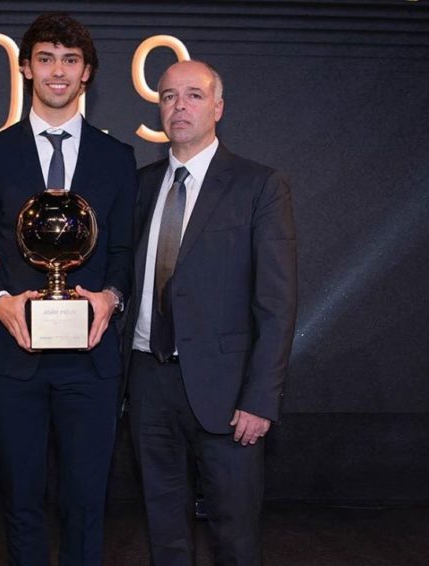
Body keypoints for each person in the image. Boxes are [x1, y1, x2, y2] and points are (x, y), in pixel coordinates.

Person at [0, 13, 137, 566]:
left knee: (86, 504)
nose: (57, 71)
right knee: (20, 502)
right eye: (45, 58)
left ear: (87, 73)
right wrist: (1, 303)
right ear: (25, 69)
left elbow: (124, 253)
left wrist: (110, 298)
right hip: (15, 358)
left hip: (91, 359)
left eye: (70, 60)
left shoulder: (118, 158)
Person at [123, 60, 298, 566]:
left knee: (235, 539)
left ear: (218, 108)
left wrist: (261, 398)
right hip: (148, 382)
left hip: (228, 392)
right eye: (168, 96)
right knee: (164, 534)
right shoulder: (140, 186)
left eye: (194, 95)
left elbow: (277, 302)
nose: (179, 106)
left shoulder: (259, 185)